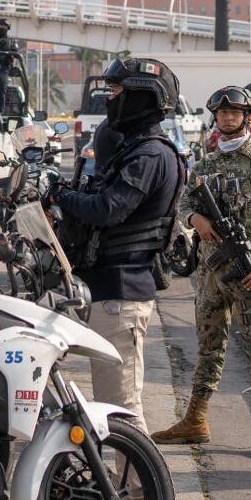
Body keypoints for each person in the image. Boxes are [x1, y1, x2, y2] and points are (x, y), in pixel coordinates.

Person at [152, 86, 251, 462]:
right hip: (212, 272)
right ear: (214, 118)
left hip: (250, 272)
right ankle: (195, 419)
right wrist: (195, 219)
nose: (228, 118)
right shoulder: (207, 163)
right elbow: (183, 202)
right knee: (209, 347)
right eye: (222, 112)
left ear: (248, 117)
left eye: (235, 112)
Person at [50, 57, 184, 432]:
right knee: (104, 405)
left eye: (116, 92)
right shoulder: (133, 149)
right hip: (106, 290)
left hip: (121, 295)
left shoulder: (151, 154)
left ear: (142, 98)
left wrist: (62, 196)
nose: (110, 99)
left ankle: (144, 490)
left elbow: (108, 209)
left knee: (120, 409)